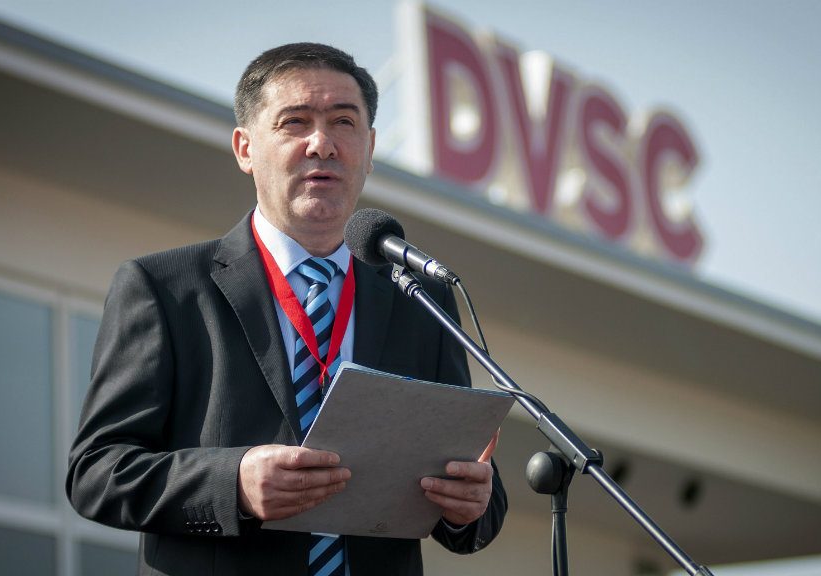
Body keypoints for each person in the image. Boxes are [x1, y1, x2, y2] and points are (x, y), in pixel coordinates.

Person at [66, 42, 506, 576]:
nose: (322, 143)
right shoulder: (163, 288)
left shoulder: (418, 296)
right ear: (245, 148)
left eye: (343, 122)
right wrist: (234, 483)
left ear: (369, 148)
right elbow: (97, 472)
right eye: (295, 122)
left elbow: (471, 491)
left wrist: (470, 504)